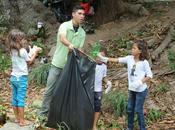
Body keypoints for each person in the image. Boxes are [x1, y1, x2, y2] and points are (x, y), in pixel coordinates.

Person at [40, 5, 86, 117]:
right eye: (79, 13)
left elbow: (79, 49)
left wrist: (84, 57)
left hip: (70, 67)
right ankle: (42, 114)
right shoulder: (64, 26)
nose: (82, 16)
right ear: (73, 14)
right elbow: (62, 38)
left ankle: (60, 115)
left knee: (66, 92)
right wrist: (70, 45)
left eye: (83, 14)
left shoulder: (82, 33)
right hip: (58, 64)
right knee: (49, 90)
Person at [98, 39, 153, 130]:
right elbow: (117, 60)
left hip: (141, 91)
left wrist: (139, 82)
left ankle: (142, 128)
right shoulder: (129, 59)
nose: (132, 49)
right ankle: (129, 127)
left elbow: (150, 75)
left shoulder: (144, 63)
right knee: (130, 109)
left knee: (138, 110)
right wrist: (105, 59)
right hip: (132, 90)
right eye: (132, 48)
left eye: (134, 48)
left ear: (140, 51)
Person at [7, 29, 41, 126]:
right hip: (21, 78)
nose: (24, 40)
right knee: (21, 99)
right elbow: (29, 62)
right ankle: (22, 121)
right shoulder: (22, 51)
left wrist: (30, 51)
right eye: (22, 39)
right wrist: (35, 52)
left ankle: (17, 119)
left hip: (13, 77)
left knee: (15, 98)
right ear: (18, 40)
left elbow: (23, 58)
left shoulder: (12, 50)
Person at [93, 47, 112, 130]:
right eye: (99, 56)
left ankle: (94, 125)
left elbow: (104, 77)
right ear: (96, 56)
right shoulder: (91, 64)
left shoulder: (104, 66)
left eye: (103, 57)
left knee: (97, 107)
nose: (100, 58)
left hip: (98, 90)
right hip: (89, 89)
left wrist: (108, 83)